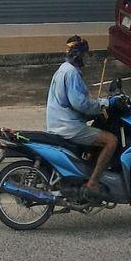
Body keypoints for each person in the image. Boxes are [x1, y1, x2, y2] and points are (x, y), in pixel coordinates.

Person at [46, 35, 117, 198]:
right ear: (78, 55)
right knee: (111, 141)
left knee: (95, 133)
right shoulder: (71, 73)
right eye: (85, 55)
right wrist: (103, 104)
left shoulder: (63, 69)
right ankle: (93, 183)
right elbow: (80, 104)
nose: (86, 58)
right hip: (68, 126)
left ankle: (87, 170)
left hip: (60, 122)